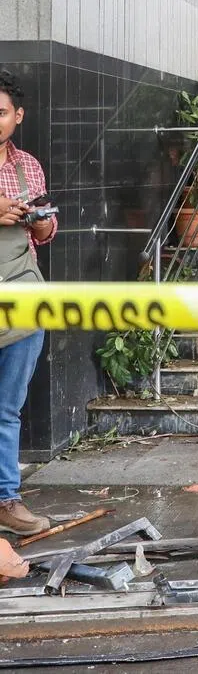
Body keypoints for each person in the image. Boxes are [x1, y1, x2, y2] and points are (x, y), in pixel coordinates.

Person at [0, 69, 57, 534]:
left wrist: (40, 225)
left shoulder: (28, 166)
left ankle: (6, 499)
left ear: (18, 116)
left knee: (7, 407)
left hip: (22, 293)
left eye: (0, 113)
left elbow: (44, 229)